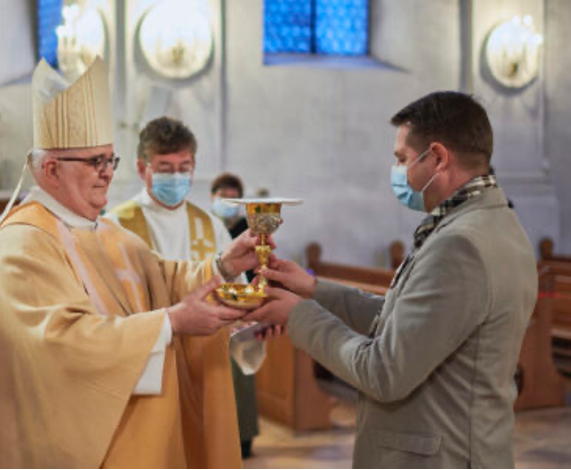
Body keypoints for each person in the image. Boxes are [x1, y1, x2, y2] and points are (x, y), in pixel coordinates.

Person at [0, 58, 264, 469]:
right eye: (95, 162)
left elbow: (162, 277)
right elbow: (63, 344)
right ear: (50, 169)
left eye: (110, 160)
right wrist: (173, 322)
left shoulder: (106, 232)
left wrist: (225, 265)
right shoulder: (21, 246)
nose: (107, 174)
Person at [247, 92, 539, 469]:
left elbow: (384, 372)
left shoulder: (459, 245)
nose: (398, 171)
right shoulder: (493, 222)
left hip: (440, 456)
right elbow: (407, 322)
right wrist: (314, 289)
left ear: (437, 157)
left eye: (402, 159)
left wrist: (299, 315)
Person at [108, 119, 266, 460]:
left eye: (184, 168)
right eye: (165, 169)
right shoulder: (115, 226)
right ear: (141, 168)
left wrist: (253, 318)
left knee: (203, 453)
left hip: (205, 367)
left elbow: (235, 294)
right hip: (148, 365)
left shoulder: (210, 225)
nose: (177, 177)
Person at [211, 173, 260, 459]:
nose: (228, 204)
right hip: (215, 308)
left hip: (244, 310)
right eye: (223, 197)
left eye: (233, 198)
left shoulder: (249, 229)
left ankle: (244, 438)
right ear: (213, 197)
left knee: (243, 376)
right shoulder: (206, 224)